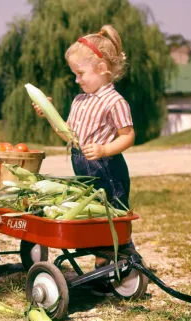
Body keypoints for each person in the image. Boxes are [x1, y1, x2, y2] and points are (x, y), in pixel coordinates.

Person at [33, 25, 135, 295]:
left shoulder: (114, 101)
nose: (77, 79)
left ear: (101, 68)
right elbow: (68, 134)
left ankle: (125, 263)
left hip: (108, 168)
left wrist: (104, 150)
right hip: (84, 166)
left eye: (80, 73)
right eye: (74, 74)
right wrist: (48, 113)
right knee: (96, 218)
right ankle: (104, 270)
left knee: (113, 216)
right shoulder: (80, 100)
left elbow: (128, 136)